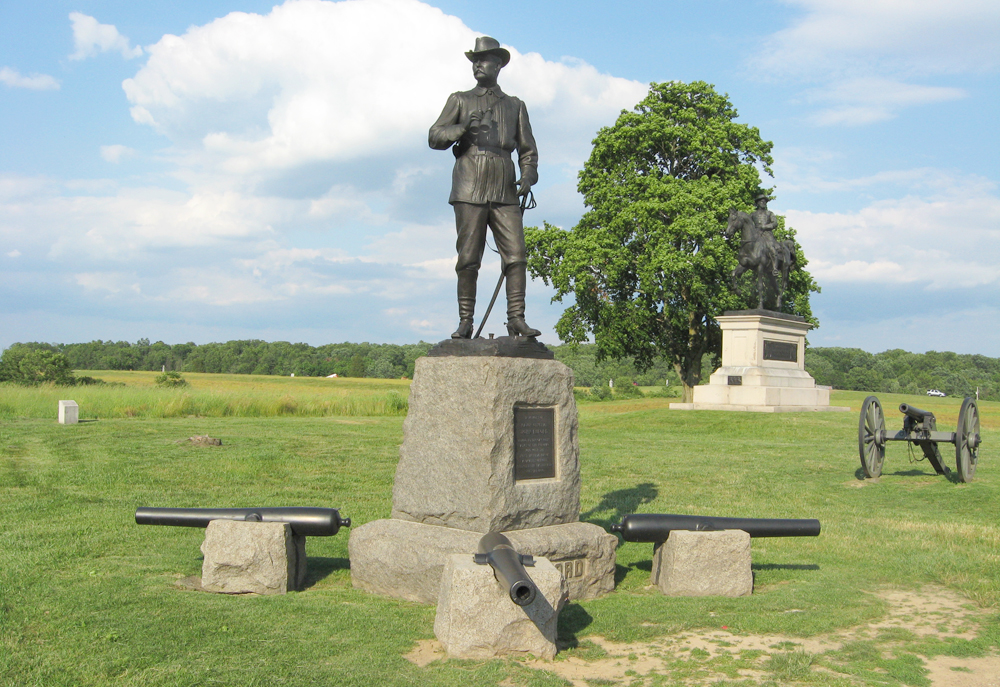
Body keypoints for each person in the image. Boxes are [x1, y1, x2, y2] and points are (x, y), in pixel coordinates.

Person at [429, 36, 540, 339]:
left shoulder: (515, 106)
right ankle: (466, 320)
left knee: (516, 256)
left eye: (484, 59)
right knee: (468, 259)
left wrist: (528, 176)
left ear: (499, 64)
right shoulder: (460, 100)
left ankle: (516, 318)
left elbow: (528, 150)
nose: (478, 64)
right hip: (469, 184)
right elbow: (435, 137)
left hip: (504, 188)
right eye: (474, 60)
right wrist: (462, 128)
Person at [751, 193, 781, 278]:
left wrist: (765, 226)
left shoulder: (769, 213)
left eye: (765, 201)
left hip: (767, 234)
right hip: (756, 235)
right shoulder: (753, 214)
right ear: (757, 203)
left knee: (772, 248)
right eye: (761, 201)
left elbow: (775, 223)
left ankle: (775, 268)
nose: (763, 203)